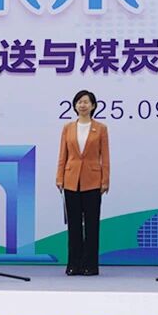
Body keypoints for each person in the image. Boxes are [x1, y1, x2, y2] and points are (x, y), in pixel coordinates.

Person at [56, 90, 110, 275]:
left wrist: (105, 180)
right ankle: (73, 264)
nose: (82, 105)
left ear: (93, 106)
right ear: (75, 105)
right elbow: (63, 155)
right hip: (71, 181)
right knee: (74, 225)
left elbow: (105, 157)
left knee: (92, 225)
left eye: (86, 102)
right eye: (79, 102)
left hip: (93, 181)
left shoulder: (101, 128)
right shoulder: (68, 128)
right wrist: (59, 177)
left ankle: (90, 265)